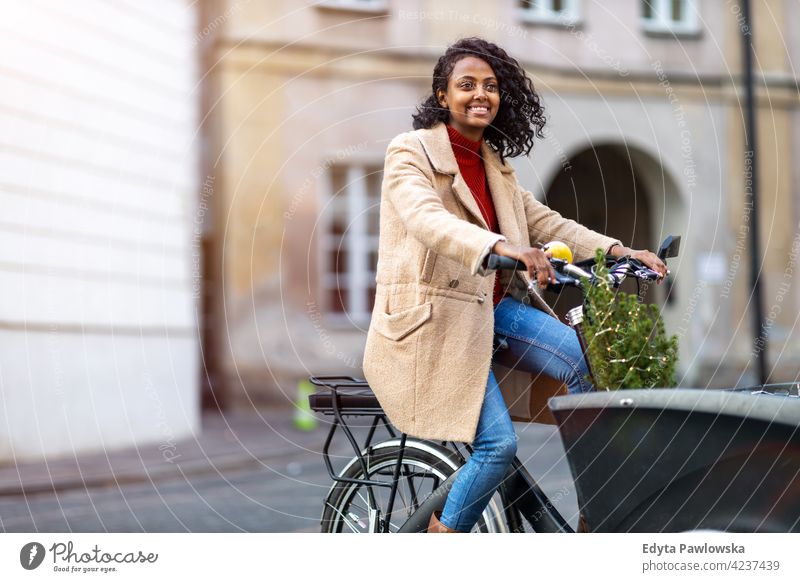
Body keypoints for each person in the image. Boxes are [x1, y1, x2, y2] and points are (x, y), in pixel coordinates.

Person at [362, 37, 667, 533]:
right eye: (466, 85)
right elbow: (427, 220)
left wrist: (620, 250)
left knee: (585, 361)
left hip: (491, 311)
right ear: (442, 95)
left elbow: (549, 224)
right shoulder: (410, 152)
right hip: (435, 323)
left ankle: (599, 515)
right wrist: (505, 247)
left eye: (490, 86)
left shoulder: (495, 165)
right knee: (498, 446)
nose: (480, 94)